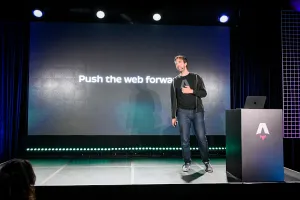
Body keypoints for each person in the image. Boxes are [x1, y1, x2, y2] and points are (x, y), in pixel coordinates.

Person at [170, 55, 213, 173]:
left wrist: (192, 91)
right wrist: (173, 116)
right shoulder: (175, 81)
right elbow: (173, 100)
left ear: (185, 63)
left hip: (197, 112)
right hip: (182, 113)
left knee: (201, 138)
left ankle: (206, 162)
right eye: (176, 64)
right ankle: (187, 162)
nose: (178, 65)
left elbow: (204, 93)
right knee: (184, 139)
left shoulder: (196, 78)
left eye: (180, 62)